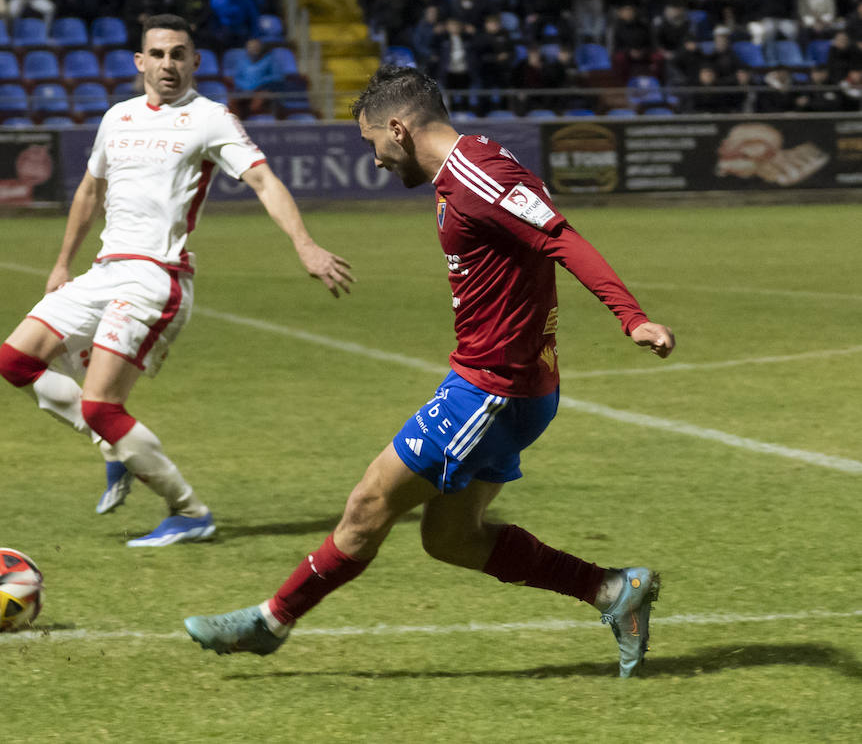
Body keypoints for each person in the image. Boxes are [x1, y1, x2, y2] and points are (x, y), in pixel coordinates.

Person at [184, 65, 676, 678]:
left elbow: (560, 237)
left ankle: (271, 621)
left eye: (373, 145)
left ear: (398, 127)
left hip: (492, 391)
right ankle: (611, 590)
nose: (376, 161)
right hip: (501, 387)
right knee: (450, 538)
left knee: (367, 504)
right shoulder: (460, 172)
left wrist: (632, 318)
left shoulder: (479, 173)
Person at [0, 14, 354, 546]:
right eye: (158, 54)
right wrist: (61, 264)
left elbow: (262, 180)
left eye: (178, 54)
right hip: (104, 270)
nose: (168, 64)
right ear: (140, 62)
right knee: (15, 361)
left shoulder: (210, 119)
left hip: (156, 277)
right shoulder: (117, 118)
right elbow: (90, 193)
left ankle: (189, 512)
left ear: (195, 62)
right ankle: (113, 447)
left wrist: (304, 243)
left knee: (100, 406)